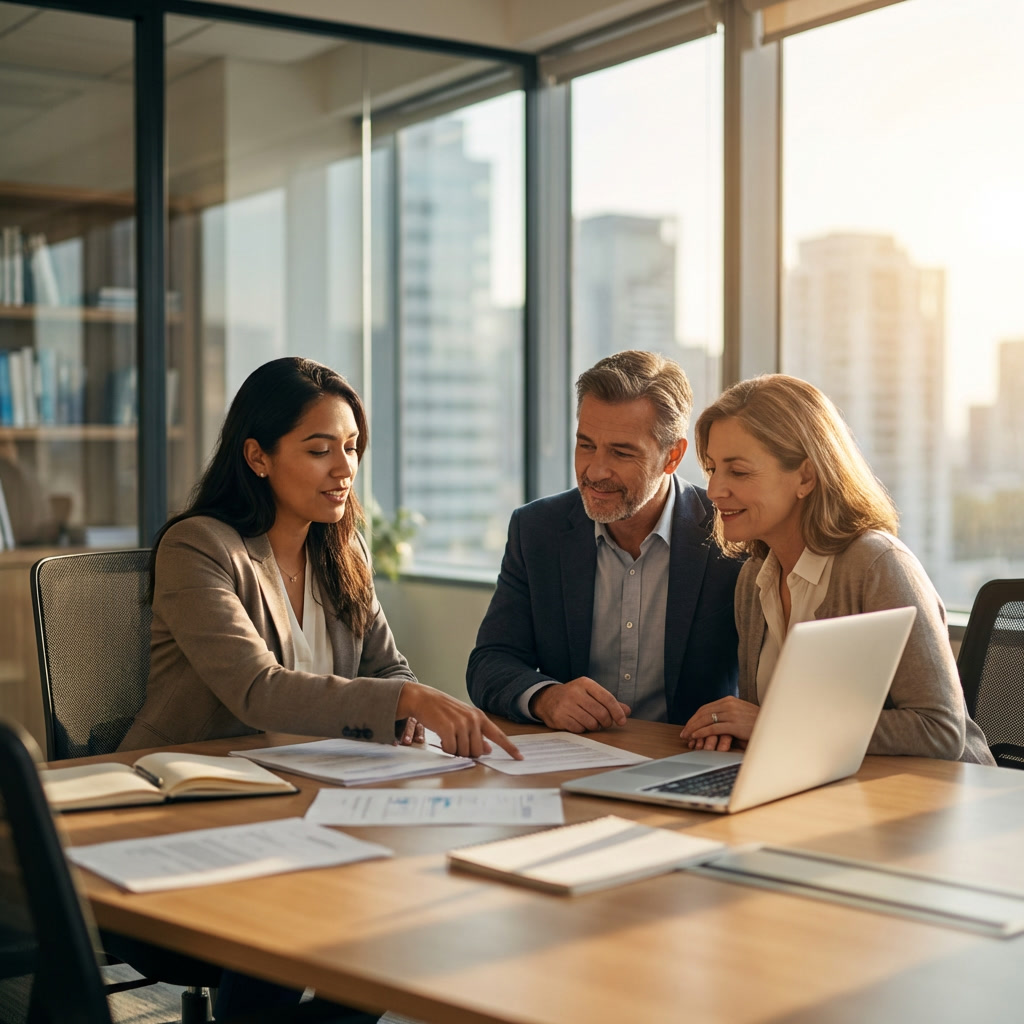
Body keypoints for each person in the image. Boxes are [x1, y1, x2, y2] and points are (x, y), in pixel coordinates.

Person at [120, 357, 519, 762]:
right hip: (189, 778)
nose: (345, 468)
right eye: (320, 450)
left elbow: (388, 670)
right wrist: (405, 700)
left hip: (310, 775)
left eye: (351, 447)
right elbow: (257, 690)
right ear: (258, 457)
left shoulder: (347, 552)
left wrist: (405, 710)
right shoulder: (197, 547)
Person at [678, 373, 994, 764]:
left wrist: (772, 725)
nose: (713, 490)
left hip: (931, 803)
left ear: (806, 477)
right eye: (711, 469)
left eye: (738, 471)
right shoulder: (753, 579)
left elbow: (940, 730)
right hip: (825, 790)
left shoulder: (877, 564)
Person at [467, 349, 741, 732]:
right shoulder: (536, 530)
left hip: (685, 758)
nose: (595, 470)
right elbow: (490, 661)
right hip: (574, 757)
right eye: (586, 445)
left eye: (621, 452)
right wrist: (546, 697)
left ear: (672, 456)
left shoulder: (731, 536)